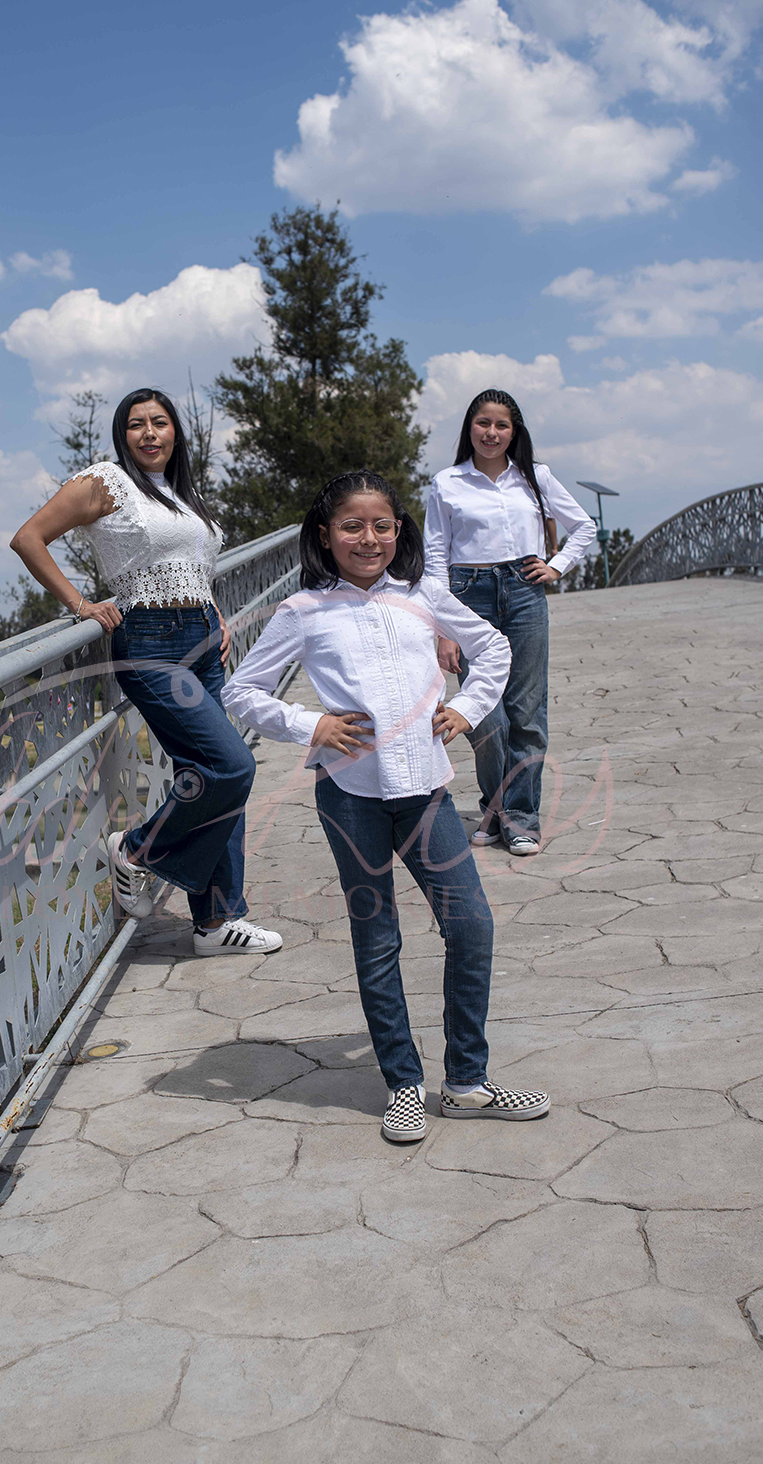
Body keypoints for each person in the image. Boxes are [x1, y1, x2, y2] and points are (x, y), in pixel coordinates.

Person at [222, 470, 550, 1143]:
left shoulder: (423, 594)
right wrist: (310, 724)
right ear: (325, 535)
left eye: (382, 525)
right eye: (351, 526)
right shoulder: (304, 610)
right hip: (351, 796)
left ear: (400, 531)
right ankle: (402, 1084)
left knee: (472, 926)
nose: (368, 538)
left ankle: (465, 1083)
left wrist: (466, 706)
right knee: (378, 938)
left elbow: (493, 645)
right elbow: (242, 690)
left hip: (426, 790)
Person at [10, 386, 281, 956]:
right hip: (151, 643)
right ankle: (136, 849)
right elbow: (28, 538)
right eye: (137, 424)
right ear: (122, 435)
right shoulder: (105, 482)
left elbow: (189, 566)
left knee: (212, 779)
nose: (150, 433)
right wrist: (81, 604)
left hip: (203, 640)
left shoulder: (184, 493)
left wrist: (213, 613)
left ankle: (216, 923)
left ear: (175, 431)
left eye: (160, 422)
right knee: (232, 765)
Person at [425, 390, 596, 855]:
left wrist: (556, 566)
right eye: (483, 423)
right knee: (485, 715)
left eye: (502, 425)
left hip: (524, 593)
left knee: (526, 714)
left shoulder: (535, 477)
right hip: (468, 597)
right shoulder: (447, 482)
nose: (492, 433)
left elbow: (583, 527)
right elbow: (435, 555)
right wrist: (442, 629)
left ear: (514, 431)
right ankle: (494, 805)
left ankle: (519, 817)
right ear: (469, 427)